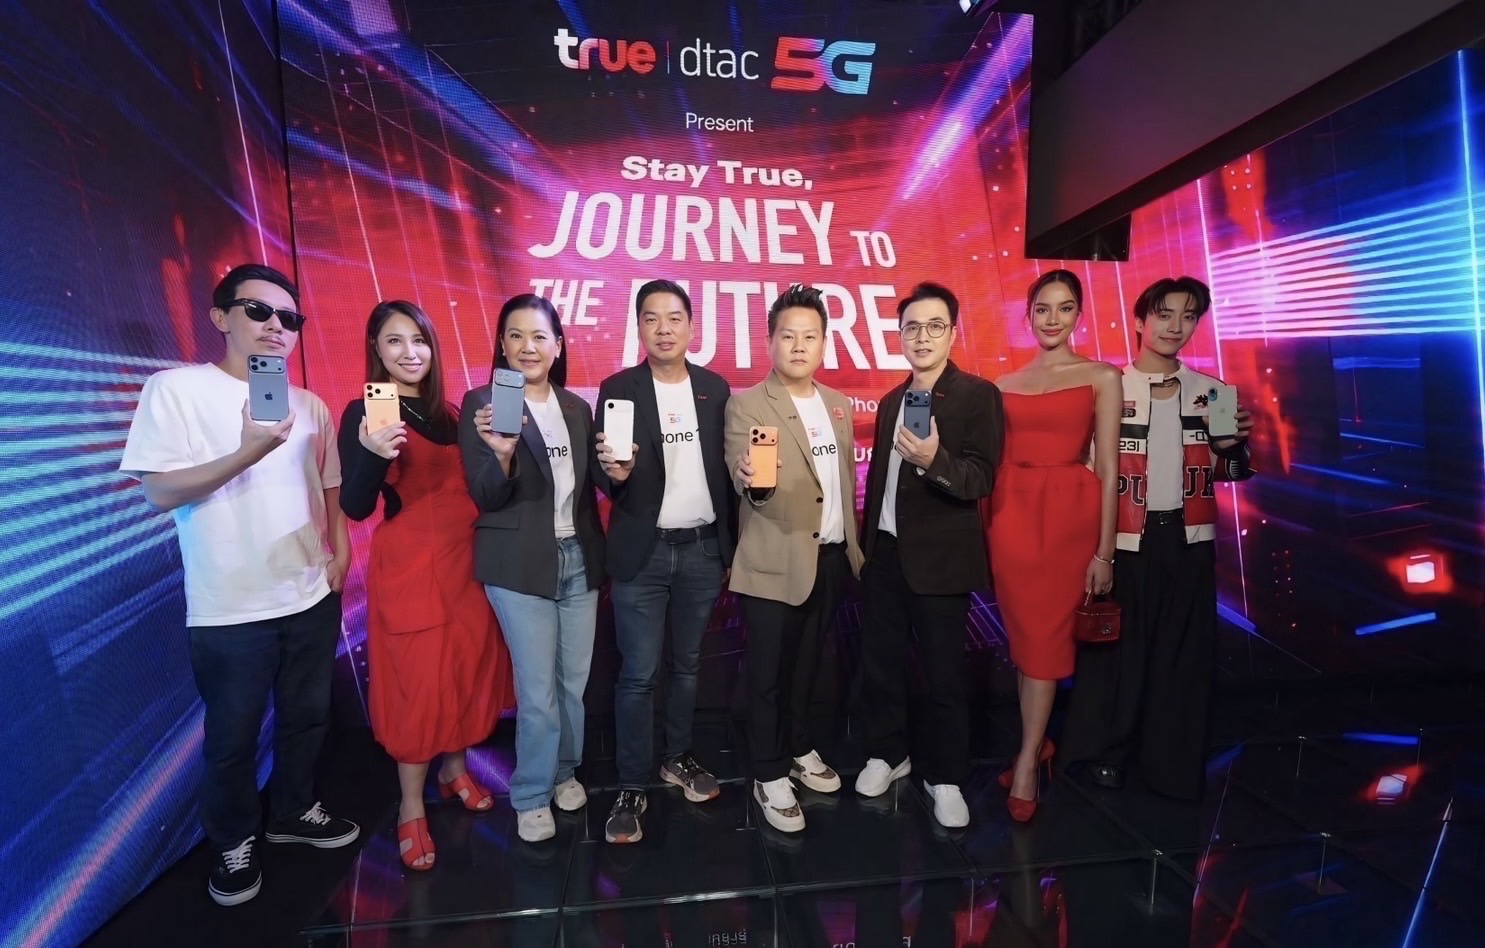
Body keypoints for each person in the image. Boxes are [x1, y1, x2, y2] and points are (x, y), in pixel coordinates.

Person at [120, 264, 359, 907]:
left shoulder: (308, 403)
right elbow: (158, 491)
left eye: (290, 318)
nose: (277, 327)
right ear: (221, 317)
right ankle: (232, 840)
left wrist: (340, 549)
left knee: (308, 716)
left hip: (308, 592)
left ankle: (293, 811)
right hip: (229, 607)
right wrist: (249, 450)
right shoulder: (176, 390)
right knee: (231, 739)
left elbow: (329, 484)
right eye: (259, 311)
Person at [1062, 276, 1255, 800]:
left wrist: (1233, 447)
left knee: (1182, 655)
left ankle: (1171, 764)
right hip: (1123, 541)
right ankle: (1108, 755)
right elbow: (1085, 470)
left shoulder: (1213, 391)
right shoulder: (1108, 387)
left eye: (1188, 317)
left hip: (1189, 541)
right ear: (1140, 320)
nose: (1175, 327)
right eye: (1164, 314)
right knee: (1118, 655)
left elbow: (1232, 470)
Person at [338, 300, 515, 870]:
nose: (409, 352)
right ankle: (411, 804)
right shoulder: (366, 411)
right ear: (376, 348)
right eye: (394, 341)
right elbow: (355, 505)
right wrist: (372, 454)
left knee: (463, 670)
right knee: (418, 682)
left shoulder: (452, 410)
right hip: (412, 569)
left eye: (419, 340)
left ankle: (454, 770)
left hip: (466, 565)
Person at [458, 294, 606, 843]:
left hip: (578, 558)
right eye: (516, 335)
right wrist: (501, 453)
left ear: (558, 346)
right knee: (539, 690)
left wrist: (620, 469)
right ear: (501, 344)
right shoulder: (482, 403)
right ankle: (530, 794)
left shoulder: (576, 408)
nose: (528, 346)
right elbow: (485, 496)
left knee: (573, 684)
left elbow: (594, 487)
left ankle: (564, 772)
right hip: (520, 565)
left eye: (540, 336)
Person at [855, 282, 1004, 828]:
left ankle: (946, 777)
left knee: (944, 676)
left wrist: (935, 460)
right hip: (886, 555)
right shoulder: (893, 399)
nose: (922, 337)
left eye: (934, 326)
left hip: (941, 563)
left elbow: (980, 478)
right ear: (899, 335)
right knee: (881, 666)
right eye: (912, 327)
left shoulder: (977, 394)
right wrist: (867, 550)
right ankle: (889, 753)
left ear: (953, 333)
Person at [593, 280, 735, 844]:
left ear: (691, 326)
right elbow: (606, 472)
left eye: (674, 318)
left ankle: (677, 756)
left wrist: (729, 546)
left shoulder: (715, 389)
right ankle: (632, 784)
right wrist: (614, 473)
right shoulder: (619, 389)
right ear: (639, 328)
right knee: (638, 674)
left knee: (688, 665)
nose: (664, 329)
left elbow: (727, 470)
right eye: (651, 318)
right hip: (643, 552)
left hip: (702, 549)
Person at [725, 284, 863, 834]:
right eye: (788, 336)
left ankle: (799, 748)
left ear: (824, 343)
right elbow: (747, 477)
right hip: (771, 562)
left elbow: (844, 480)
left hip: (829, 559)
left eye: (810, 336)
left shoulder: (838, 404)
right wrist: (752, 481)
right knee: (767, 676)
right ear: (770, 342)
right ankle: (768, 772)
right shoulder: (748, 404)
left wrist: (852, 549)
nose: (799, 346)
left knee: (809, 667)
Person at [989, 269, 1121, 822]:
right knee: (1026, 643)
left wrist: (1105, 552)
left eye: (1064, 308)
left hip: (1069, 517)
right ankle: (1038, 744)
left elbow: (1109, 467)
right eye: (1042, 309)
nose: (1052, 319)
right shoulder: (1003, 383)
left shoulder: (1101, 376)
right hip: (1009, 517)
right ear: (1028, 316)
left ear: (1079, 316)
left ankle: (1026, 764)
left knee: (1044, 644)